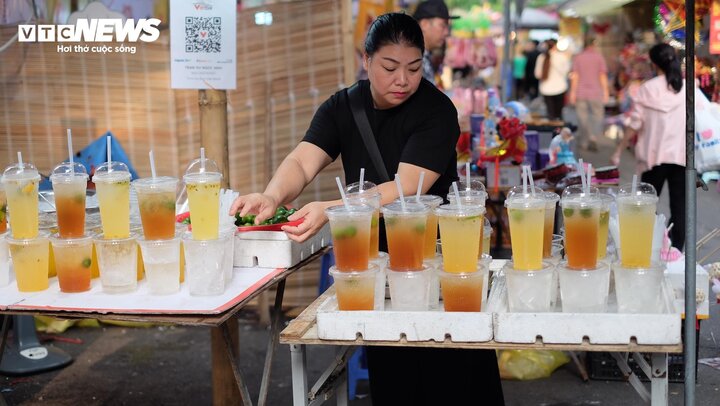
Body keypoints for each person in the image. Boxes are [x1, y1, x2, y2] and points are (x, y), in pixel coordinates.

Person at [230, 13, 505, 405]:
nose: (403, 79)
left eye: (413, 68)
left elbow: (408, 186)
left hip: (441, 265)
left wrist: (335, 208)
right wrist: (272, 196)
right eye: (390, 67)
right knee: (395, 377)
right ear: (367, 60)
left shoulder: (436, 111)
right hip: (378, 268)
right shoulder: (343, 107)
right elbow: (302, 161)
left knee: (453, 374)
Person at [610, 43, 686, 249]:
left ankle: (644, 247)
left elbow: (635, 123)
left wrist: (618, 150)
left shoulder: (647, 89)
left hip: (654, 156)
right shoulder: (687, 88)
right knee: (680, 207)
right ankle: (677, 251)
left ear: (653, 64)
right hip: (681, 156)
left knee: (645, 206)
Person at [568, 36, 609, 151]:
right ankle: (593, 136)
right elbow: (602, 76)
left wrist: (572, 93)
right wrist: (606, 92)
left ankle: (584, 141)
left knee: (582, 117)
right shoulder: (599, 57)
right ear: (593, 45)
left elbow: (575, 76)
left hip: (581, 92)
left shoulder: (578, 57)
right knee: (597, 116)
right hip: (596, 92)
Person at [413, 0, 458, 85]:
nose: (446, 32)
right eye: (442, 25)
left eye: (447, 27)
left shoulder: (423, 56)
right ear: (424, 24)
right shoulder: (412, 60)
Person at [534, 39, 571, 121]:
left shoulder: (541, 57)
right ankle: (559, 131)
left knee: (550, 114)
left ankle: (551, 129)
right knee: (559, 114)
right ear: (555, 45)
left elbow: (537, 74)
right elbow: (567, 71)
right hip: (560, 87)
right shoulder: (562, 56)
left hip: (545, 88)